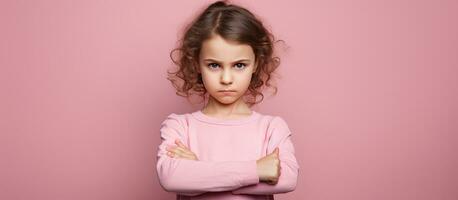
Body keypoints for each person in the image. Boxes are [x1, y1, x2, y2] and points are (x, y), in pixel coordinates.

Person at [156, 1, 299, 199]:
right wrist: (256, 170)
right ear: (197, 63)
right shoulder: (180, 126)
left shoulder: (272, 128)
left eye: (239, 65)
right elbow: (171, 177)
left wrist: (199, 174)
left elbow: (288, 178)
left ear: (256, 63)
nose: (226, 79)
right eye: (214, 65)